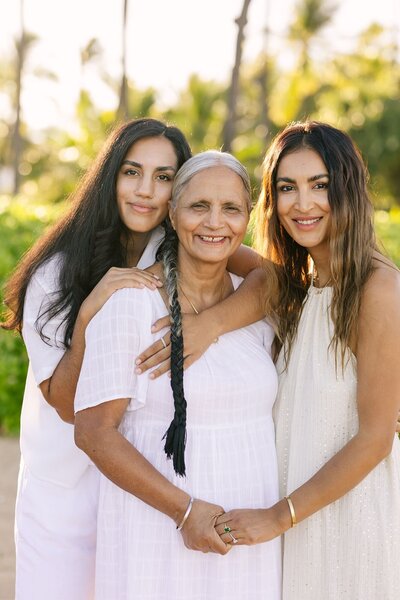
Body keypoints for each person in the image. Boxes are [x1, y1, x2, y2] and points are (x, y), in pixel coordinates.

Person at [138, 122, 400, 599]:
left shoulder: (378, 288)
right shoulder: (300, 285)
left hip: (346, 521)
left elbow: (376, 438)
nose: (303, 204)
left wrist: (278, 517)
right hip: (293, 525)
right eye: (287, 188)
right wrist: (210, 321)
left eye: (320, 185)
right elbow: (215, 237)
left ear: (348, 189)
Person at [73, 151, 282, 599]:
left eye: (231, 208)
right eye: (199, 206)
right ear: (172, 213)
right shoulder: (132, 303)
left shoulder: (257, 308)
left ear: (248, 218)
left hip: (251, 536)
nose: (215, 222)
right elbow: (93, 432)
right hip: (158, 531)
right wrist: (185, 512)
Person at [1, 117, 192, 600]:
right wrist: (88, 316)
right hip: (63, 493)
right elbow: (65, 405)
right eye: (132, 172)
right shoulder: (55, 271)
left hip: (139, 483)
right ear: (110, 177)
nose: (146, 190)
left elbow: (263, 279)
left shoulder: (180, 254)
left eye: (164, 176)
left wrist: (209, 325)